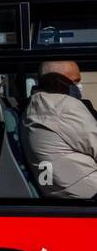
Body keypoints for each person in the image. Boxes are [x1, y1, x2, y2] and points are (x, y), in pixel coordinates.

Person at [24, 60, 97, 200]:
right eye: (75, 81)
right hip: (88, 190)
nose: (79, 86)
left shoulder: (37, 104)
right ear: (58, 82)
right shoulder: (63, 107)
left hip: (65, 188)